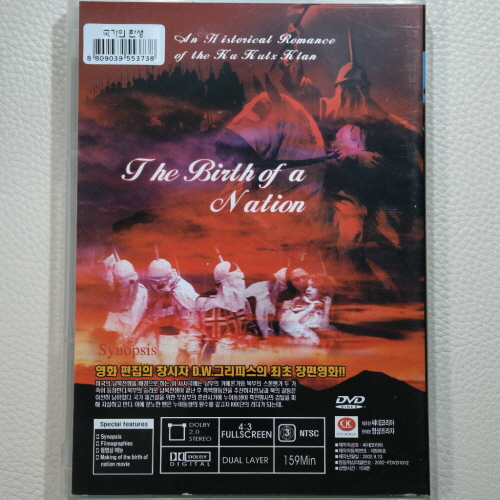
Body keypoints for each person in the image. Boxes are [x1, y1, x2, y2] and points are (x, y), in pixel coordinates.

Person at [195, 260, 253, 362]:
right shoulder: (204, 302)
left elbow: (249, 325)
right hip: (215, 353)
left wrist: (248, 338)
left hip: (240, 353)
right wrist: (193, 351)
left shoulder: (244, 302)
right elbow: (195, 329)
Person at [279, 274, 335, 343]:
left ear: (323, 290)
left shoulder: (320, 309)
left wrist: (326, 309)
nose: (308, 289)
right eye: (307, 286)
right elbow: (287, 323)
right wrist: (310, 308)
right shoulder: (298, 303)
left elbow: (324, 329)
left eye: (313, 286)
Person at [103, 259, 147, 343]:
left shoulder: (140, 291)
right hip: (120, 319)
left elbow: (135, 317)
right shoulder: (117, 289)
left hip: (131, 324)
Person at [245, 268, 287, 337]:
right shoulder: (263, 292)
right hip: (251, 321)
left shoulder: (274, 289)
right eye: (283, 286)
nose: (284, 289)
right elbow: (261, 316)